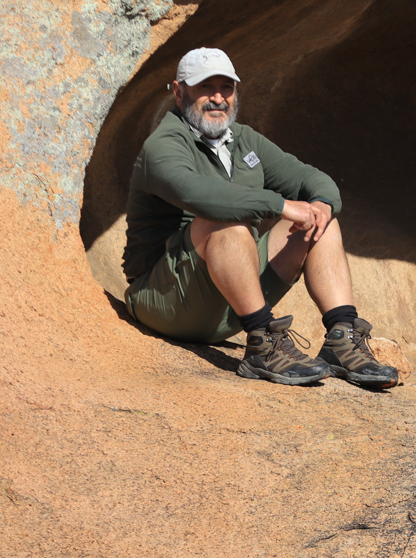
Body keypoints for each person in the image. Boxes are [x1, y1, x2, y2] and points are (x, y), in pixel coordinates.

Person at [121, 47, 397, 388]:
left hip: (231, 301)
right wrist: (280, 204)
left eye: (227, 87)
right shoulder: (163, 145)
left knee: (319, 220)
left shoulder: (245, 141)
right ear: (179, 92)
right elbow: (202, 196)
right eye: (206, 87)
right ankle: (263, 342)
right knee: (226, 220)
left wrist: (323, 203)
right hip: (166, 301)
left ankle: (341, 338)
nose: (218, 98)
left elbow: (313, 178)